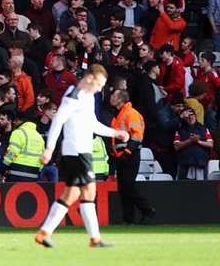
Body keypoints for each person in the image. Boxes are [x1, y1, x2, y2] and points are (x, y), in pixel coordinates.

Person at [36, 64, 128, 248]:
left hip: (80, 151)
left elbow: (92, 124)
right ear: (89, 79)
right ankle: (94, 239)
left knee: (71, 194)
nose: (100, 89)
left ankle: (44, 232)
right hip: (76, 151)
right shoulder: (74, 95)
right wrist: (49, 148)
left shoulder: (86, 97)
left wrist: (114, 133)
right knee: (89, 192)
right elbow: (59, 120)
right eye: (99, 84)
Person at [109, 88, 156, 224]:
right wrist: (114, 154)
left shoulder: (131, 114)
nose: (111, 97)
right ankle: (128, 219)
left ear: (120, 99)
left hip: (130, 155)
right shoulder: (118, 115)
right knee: (123, 188)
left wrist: (127, 152)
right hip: (121, 156)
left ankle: (147, 210)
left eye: (114, 96)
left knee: (128, 186)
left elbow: (137, 135)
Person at [2, 109, 45, 182]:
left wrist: (3, 167)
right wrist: (39, 170)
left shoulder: (18, 132)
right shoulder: (39, 136)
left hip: (16, 173)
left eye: (16, 120)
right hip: (33, 174)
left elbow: (12, 152)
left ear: (22, 121)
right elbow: (42, 157)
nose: (14, 122)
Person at [173, 106, 213, 180]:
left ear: (195, 116)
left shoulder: (204, 129)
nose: (190, 117)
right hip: (185, 166)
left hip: (201, 164)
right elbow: (176, 146)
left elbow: (210, 144)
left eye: (192, 115)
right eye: (187, 116)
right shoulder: (180, 130)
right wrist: (189, 141)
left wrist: (198, 141)